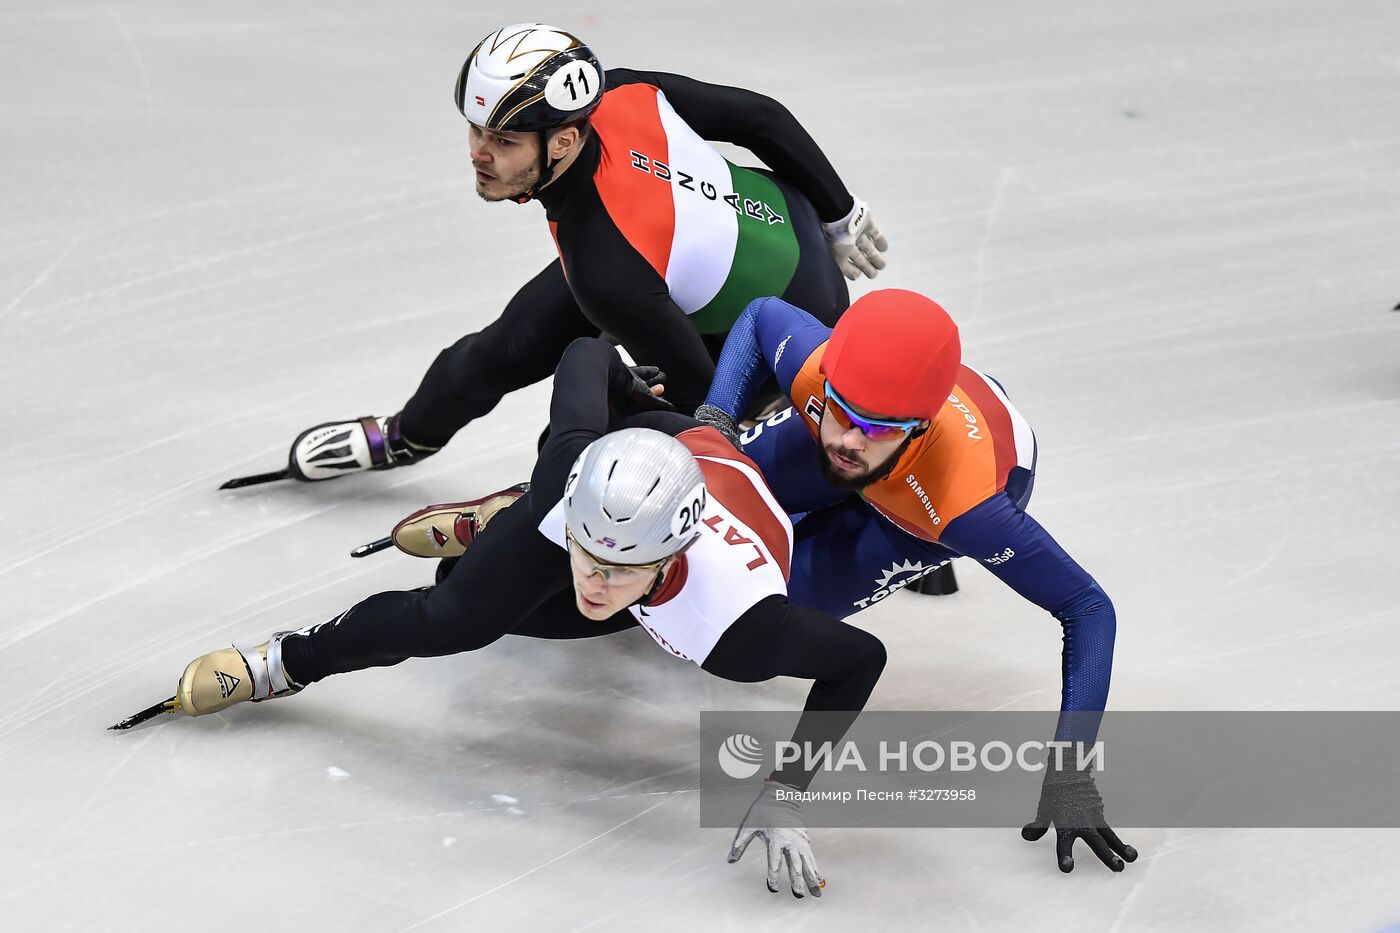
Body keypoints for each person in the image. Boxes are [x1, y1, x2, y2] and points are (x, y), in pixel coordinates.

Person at [144, 336, 888, 898]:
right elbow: (586, 351)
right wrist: (628, 386)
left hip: (709, 492)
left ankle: (497, 525)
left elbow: (860, 659)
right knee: (452, 617)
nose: (593, 582)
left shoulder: (738, 626)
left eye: (617, 567)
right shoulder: (572, 472)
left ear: (667, 558)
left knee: (523, 610)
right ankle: (283, 661)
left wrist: (786, 790)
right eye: (587, 554)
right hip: (633, 453)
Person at [275, 22, 886, 485]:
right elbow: (761, 117)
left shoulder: (604, 263)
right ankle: (410, 434)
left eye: (504, 141)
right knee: (502, 347)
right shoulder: (619, 93)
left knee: (616, 438)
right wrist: (841, 212)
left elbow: (702, 390)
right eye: (476, 131)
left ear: (564, 139)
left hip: (771, 318)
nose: (479, 154)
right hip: (779, 211)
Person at [695, 289, 1139, 874]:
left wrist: (1071, 770)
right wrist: (715, 422)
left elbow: (1087, 608)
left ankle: (916, 544)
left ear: (920, 428)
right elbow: (757, 315)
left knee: (765, 607)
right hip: (875, 448)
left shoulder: (971, 511)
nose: (850, 440)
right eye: (843, 414)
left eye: (875, 428)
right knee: (706, 486)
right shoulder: (815, 373)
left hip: (924, 509)